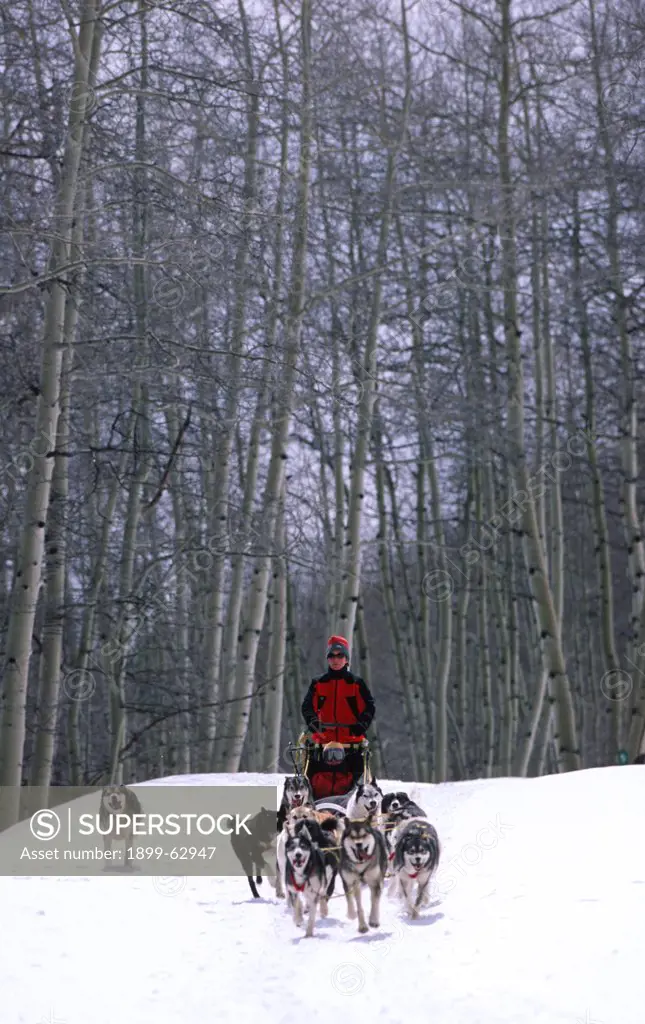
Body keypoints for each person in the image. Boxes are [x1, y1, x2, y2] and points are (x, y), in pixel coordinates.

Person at [301, 635, 376, 799]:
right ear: (328, 659)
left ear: (346, 659)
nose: (336, 659)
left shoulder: (356, 684)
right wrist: (313, 723)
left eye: (339, 655)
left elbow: (369, 707)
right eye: (332, 656)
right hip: (322, 742)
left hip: (351, 744)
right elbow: (307, 707)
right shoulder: (318, 683)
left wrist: (360, 726)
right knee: (308, 779)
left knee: (359, 782)